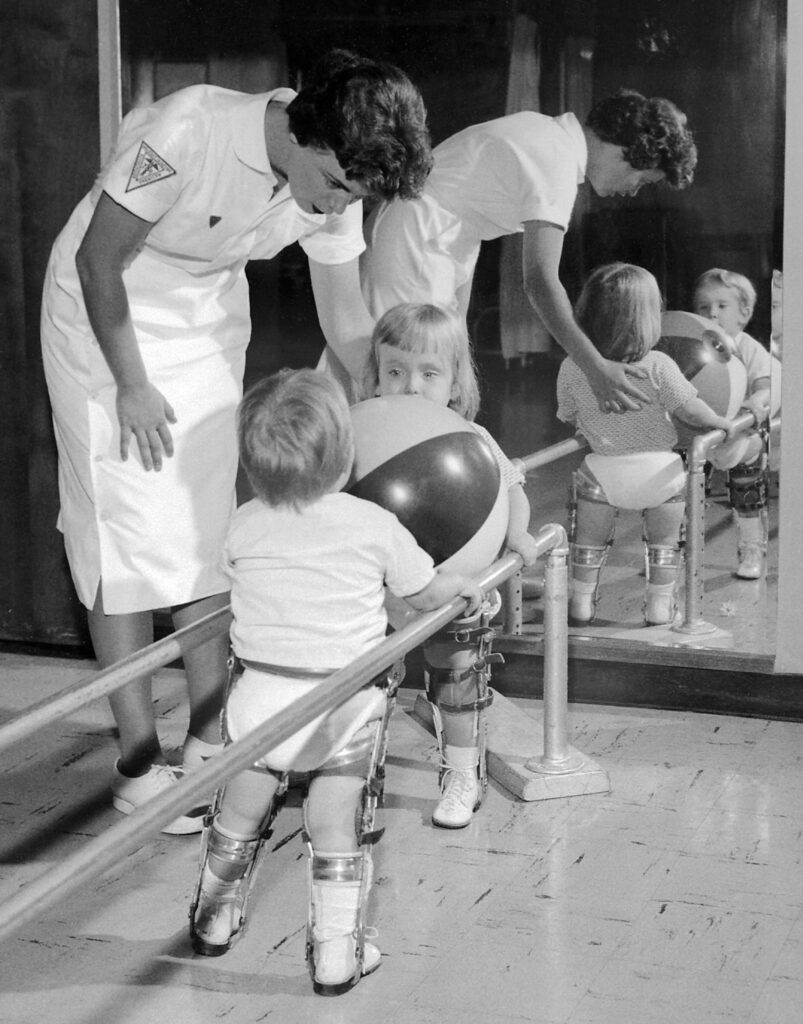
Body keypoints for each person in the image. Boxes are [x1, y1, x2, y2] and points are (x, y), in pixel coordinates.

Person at [39, 50, 432, 832]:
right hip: (106, 319)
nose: (333, 208)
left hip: (205, 316)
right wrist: (132, 383)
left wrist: (398, 411)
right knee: (124, 537)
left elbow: (346, 320)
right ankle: (138, 758)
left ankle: (212, 738)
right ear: (307, 139)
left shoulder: (335, 178)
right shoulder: (185, 129)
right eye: (334, 189)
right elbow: (97, 258)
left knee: (208, 531)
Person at [189, 368, 482, 994]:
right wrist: (460, 589)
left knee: (239, 816)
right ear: (345, 456)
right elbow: (425, 592)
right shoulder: (372, 525)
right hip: (342, 704)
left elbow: (233, 576)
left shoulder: (242, 522)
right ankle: (335, 954)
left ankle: (213, 920)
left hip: (258, 701)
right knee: (332, 826)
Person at [361, 89, 697, 413]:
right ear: (628, 151)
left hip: (438, 238)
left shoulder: (550, 136)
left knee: (433, 372)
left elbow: (467, 213)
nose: (632, 192)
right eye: (641, 181)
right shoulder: (557, 159)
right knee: (405, 374)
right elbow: (539, 280)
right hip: (418, 237)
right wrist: (595, 367)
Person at [364, 302, 538, 828]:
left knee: (457, 679)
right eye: (395, 371)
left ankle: (462, 772)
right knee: (366, 686)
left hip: (452, 588)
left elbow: (511, 491)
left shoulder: (472, 439)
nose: (410, 385)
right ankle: (355, 773)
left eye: (428, 373)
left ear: (455, 383)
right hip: (377, 593)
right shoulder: (361, 429)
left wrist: (517, 532)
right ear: (374, 377)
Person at [557, 264, 735, 626]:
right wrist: (718, 421)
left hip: (602, 475)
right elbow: (690, 410)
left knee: (588, 543)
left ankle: (580, 601)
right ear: (649, 319)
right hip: (660, 476)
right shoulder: (659, 365)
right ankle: (658, 606)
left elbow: (568, 414)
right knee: (664, 546)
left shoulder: (573, 366)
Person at [692, 268, 781, 579]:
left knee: (747, 493)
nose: (712, 314)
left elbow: (767, 384)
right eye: (703, 307)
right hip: (701, 432)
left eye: (721, 306)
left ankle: (752, 548)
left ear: (744, 313)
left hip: (742, 435)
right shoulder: (695, 345)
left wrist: (756, 402)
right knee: (687, 490)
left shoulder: (748, 347)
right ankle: (680, 547)